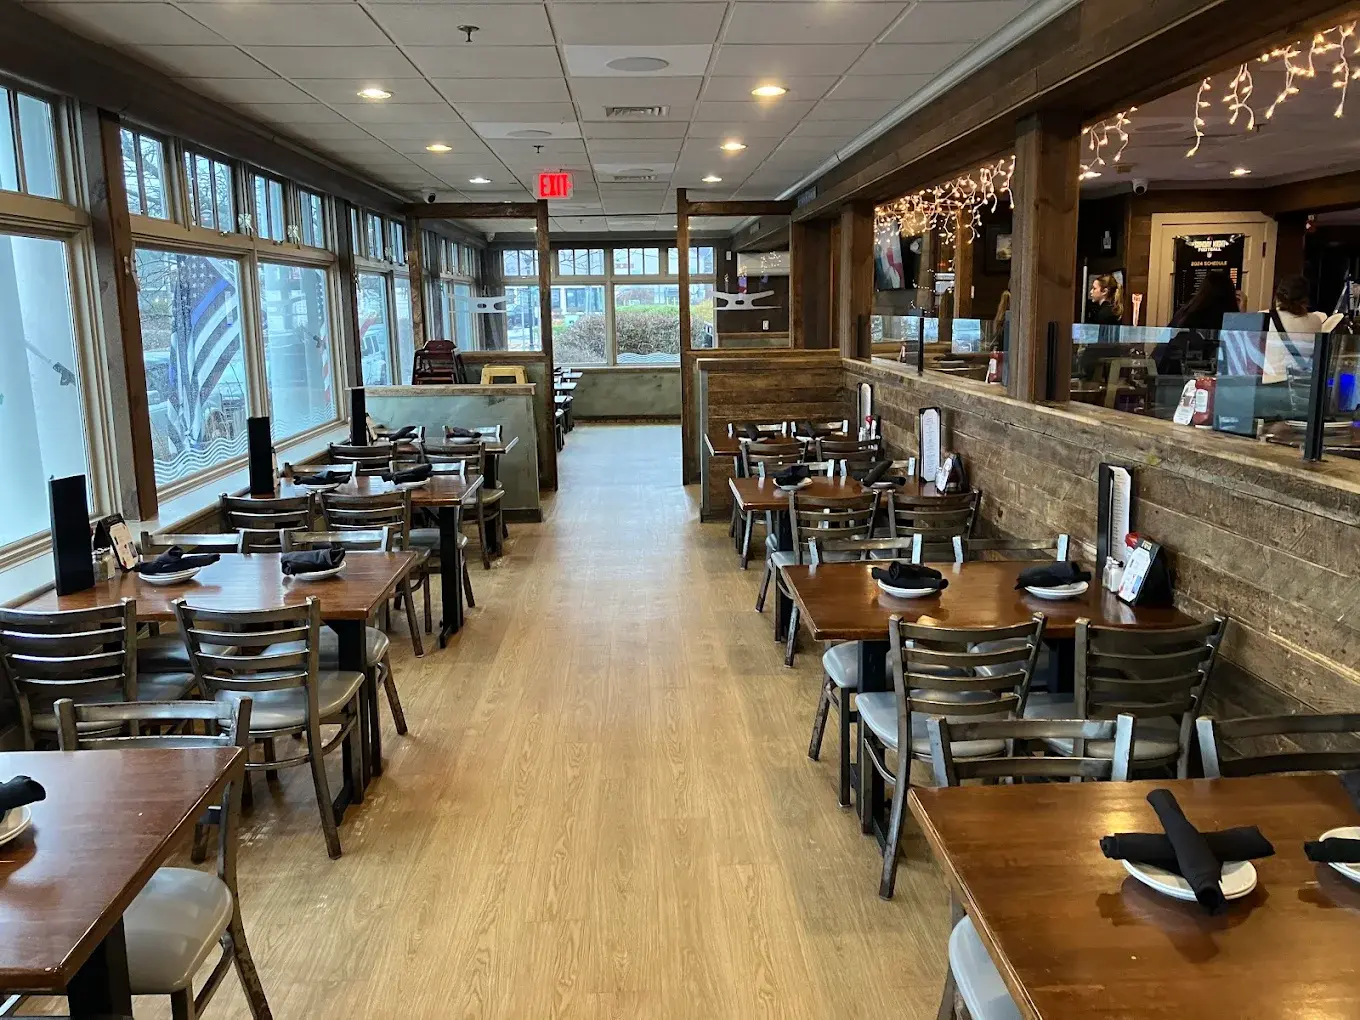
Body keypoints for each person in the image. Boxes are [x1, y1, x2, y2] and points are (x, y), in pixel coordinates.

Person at [1157, 269, 1240, 375]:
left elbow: (1164, 343)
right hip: (1215, 375)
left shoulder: (1187, 312)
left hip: (1173, 373)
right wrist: (1241, 314)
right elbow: (1237, 351)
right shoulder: (1226, 318)